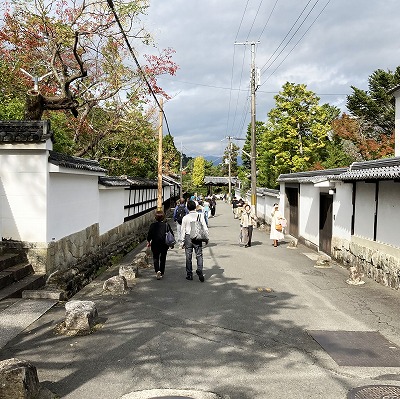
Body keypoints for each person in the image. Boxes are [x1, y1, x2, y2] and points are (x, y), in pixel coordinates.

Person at [180, 200, 208, 282]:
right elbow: (205, 227)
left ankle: (189, 274)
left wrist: (182, 241)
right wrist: (206, 238)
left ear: (187, 208)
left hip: (188, 237)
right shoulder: (200, 215)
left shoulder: (185, 218)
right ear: (195, 207)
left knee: (188, 257)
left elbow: (183, 230)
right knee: (199, 255)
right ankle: (200, 269)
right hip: (198, 237)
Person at [147, 210, 174, 279]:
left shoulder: (152, 225)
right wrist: (171, 244)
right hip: (164, 244)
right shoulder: (166, 225)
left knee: (155, 258)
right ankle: (161, 272)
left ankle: (157, 271)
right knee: (163, 258)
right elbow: (171, 234)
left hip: (155, 244)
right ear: (163, 217)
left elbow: (149, 235)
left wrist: (148, 241)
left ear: (155, 217)